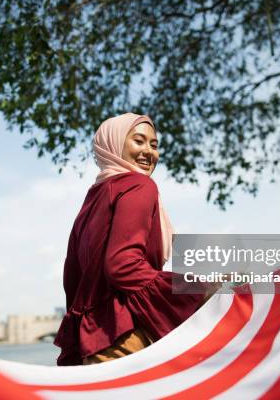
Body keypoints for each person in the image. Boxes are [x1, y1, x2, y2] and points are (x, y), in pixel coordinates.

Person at [54, 112, 213, 366]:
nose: (149, 152)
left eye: (154, 144)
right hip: (127, 336)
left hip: (94, 343)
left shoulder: (91, 202)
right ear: (114, 144)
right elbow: (122, 265)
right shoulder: (139, 185)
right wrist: (198, 289)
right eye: (139, 141)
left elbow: (72, 280)